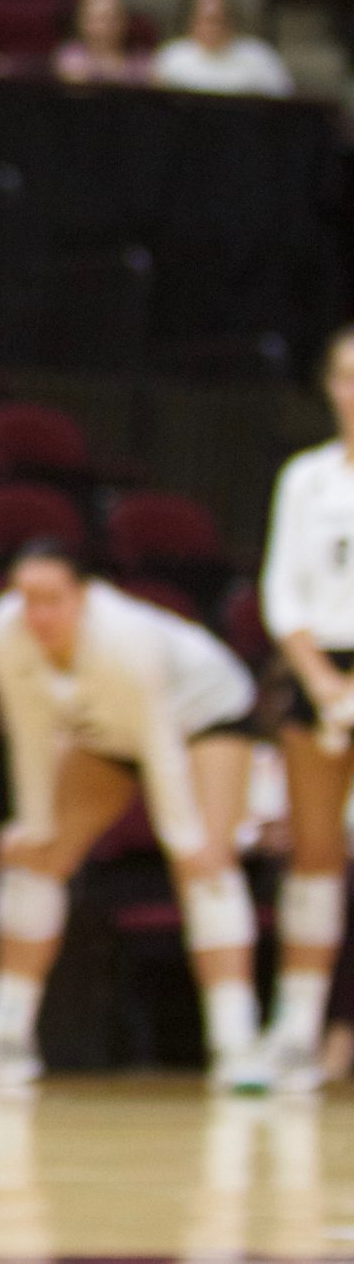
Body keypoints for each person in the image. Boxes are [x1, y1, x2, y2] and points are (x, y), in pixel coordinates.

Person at [0, 544, 263, 1092]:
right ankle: (6, 1034)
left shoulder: (125, 639)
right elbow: (28, 733)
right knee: (36, 855)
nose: (38, 613)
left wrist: (184, 840)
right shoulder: (4, 633)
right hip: (105, 732)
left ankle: (235, 1044)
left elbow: (159, 740)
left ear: (85, 597)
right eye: (28, 599)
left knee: (207, 864)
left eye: (53, 600)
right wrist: (36, 823)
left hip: (204, 717)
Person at [255, 325, 354, 1093]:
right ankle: (294, 1030)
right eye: (347, 376)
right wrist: (324, 684)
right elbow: (282, 590)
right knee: (315, 859)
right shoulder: (305, 477)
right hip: (321, 674)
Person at [151, 0, 293, 97]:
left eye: (217, 20)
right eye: (205, 20)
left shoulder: (260, 57)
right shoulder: (172, 57)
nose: (211, 28)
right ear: (192, 22)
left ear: (232, 21)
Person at [50, 0, 152, 86]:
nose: (105, 26)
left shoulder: (143, 62)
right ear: (81, 22)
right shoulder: (70, 59)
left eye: (113, 18)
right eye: (98, 19)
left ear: (125, 21)